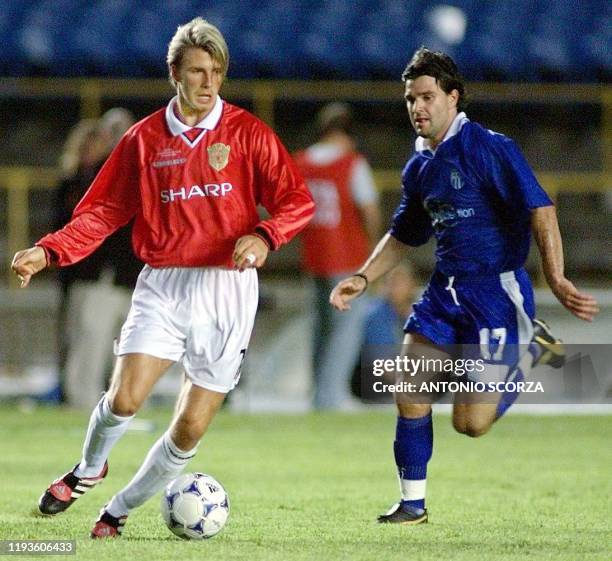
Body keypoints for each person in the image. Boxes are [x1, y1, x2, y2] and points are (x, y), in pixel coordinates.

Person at [12, 17, 314, 538]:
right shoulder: (144, 140)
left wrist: (264, 236)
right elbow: (101, 212)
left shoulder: (247, 133)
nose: (208, 82)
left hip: (227, 290)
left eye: (216, 71)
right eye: (197, 71)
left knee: (191, 426)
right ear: (174, 73)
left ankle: (120, 509)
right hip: (164, 285)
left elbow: (296, 201)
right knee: (125, 397)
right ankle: (89, 468)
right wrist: (49, 250)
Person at [330, 47, 599, 525]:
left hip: (494, 296)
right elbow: (405, 234)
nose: (418, 107)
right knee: (408, 386)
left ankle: (530, 350)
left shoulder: (490, 148)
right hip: (443, 294)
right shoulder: (420, 165)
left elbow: (542, 208)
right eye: (411, 98)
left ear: (453, 98)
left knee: (470, 424)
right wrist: (362, 275)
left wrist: (555, 276)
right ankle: (412, 504)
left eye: (428, 96)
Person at [294, 102, 381, 409]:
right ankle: (328, 400)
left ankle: (318, 394)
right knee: (344, 333)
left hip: (313, 256)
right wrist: (375, 255)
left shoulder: (301, 162)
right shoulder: (351, 163)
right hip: (347, 257)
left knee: (320, 332)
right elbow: (369, 210)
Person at [55, 109, 141, 409]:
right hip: (95, 276)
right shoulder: (88, 178)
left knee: (126, 350)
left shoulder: (137, 169)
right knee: (90, 345)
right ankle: (81, 405)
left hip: (129, 278)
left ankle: (118, 408)